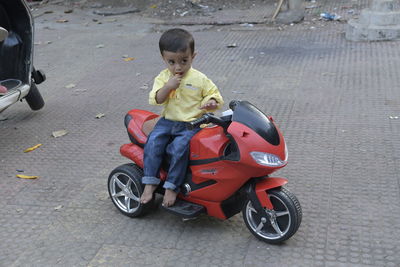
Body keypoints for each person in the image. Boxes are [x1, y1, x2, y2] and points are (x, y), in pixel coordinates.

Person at [140, 28, 224, 207]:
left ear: (193, 56)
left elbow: (214, 95)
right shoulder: (163, 78)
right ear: (163, 59)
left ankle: (172, 186)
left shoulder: (200, 78)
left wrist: (210, 102)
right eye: (171, 62)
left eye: (184, 61)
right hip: (167, 121)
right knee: (153, 143)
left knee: (179, 149)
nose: (178, 67)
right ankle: (149, 182)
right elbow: (157, 99)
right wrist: (168, 86)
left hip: (191, 124)